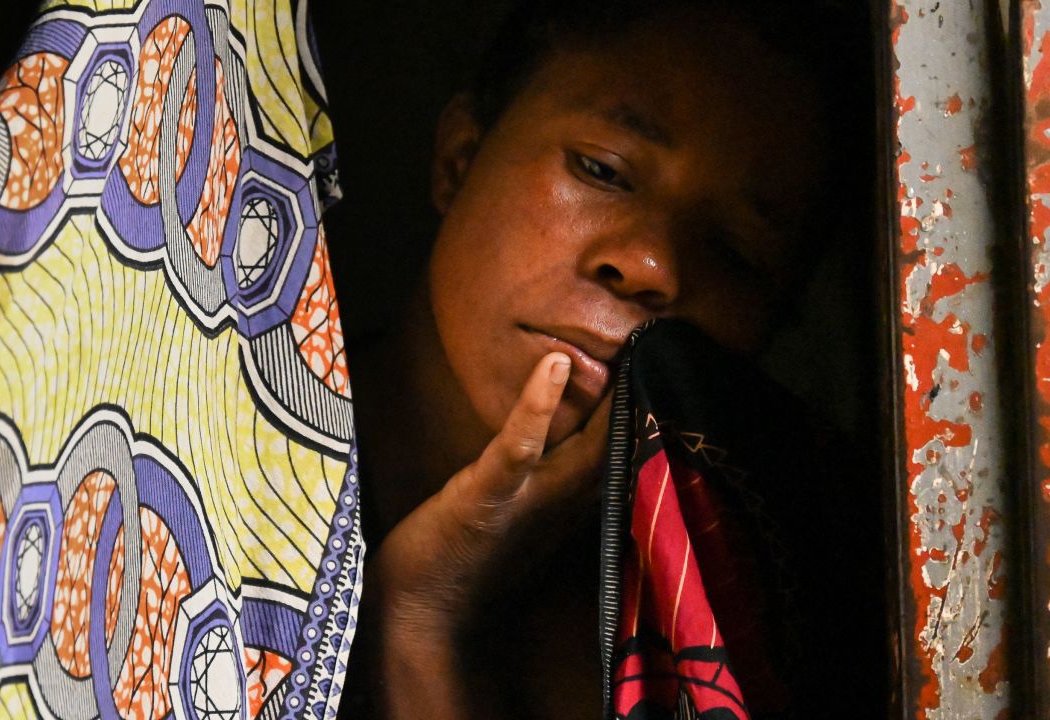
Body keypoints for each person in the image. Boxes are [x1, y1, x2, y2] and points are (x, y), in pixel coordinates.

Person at [339, 0, 879, 718]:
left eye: (734, 252)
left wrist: (424, 624)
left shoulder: (746, 628)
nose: (655, 264)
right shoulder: (209, 468)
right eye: (603, 170)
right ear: (460, 158)